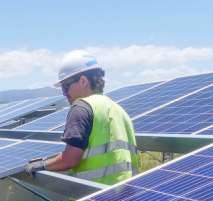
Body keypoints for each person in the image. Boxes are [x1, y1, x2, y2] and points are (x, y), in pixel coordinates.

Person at [26, 51, 139, 185]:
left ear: (83, 81)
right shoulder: (119, 110)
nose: (64, 93)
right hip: (126, 194)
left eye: (66, 86)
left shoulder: (81, 107)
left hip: (95, 199)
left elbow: (70, 160)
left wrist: (42, 165)